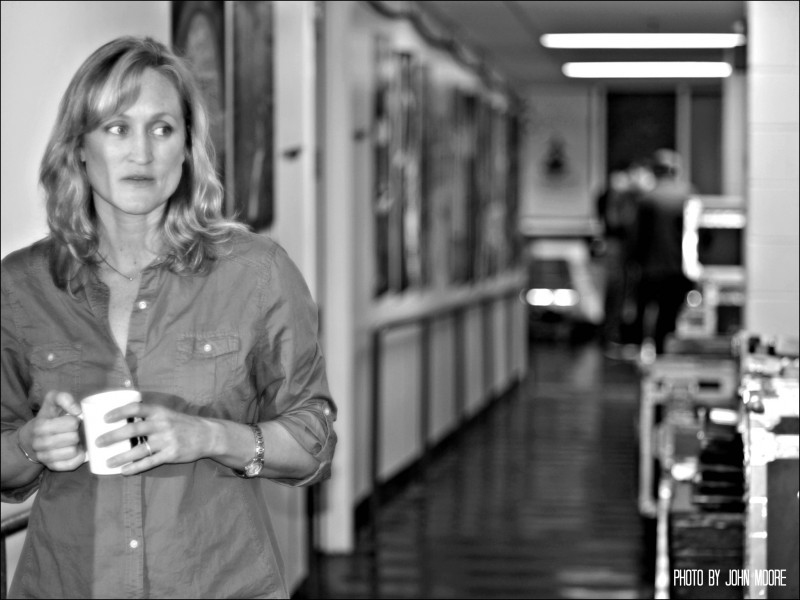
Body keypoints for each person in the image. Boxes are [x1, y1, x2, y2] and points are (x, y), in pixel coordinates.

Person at [1, 36, 336, 599]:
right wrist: (34, 444)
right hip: (67, 584)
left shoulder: (255, 272)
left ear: (187, 148)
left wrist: (208, 435)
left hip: (221, 583)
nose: (142, 153)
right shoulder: (20, 286)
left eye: (162, 129)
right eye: (116, 128)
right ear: (78, 147)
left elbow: (314, 442)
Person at [632, 149, 695, 355]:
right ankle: (665, 355)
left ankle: (648, 356)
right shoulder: (688, 195)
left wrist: (634, 263)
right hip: (680, 267)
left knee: (647, 314)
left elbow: (638, 238)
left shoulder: (647, 199)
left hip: (651, 267)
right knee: (669, 317)